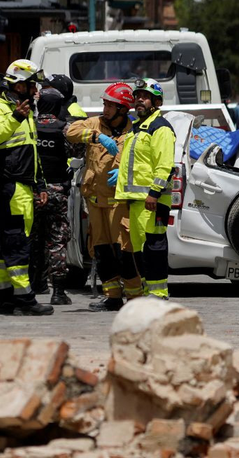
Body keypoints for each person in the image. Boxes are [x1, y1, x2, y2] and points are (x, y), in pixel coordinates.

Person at [66, 82, 144, 311]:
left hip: (120, 203)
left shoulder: (136, 131)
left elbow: (144, 161)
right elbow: (70, 132)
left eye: (111, 105)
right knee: (101, 251)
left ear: (123, 109)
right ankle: (112, 297)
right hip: (96, 203)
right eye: (105, 104)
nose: (106, 109)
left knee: (124, 252)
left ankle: (135, 299)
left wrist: (126, 172)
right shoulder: (95, 124)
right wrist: (96, 137)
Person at [0, 59, 53, 316]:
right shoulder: (1, 109)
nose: (36, 91)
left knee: (8, 247)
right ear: (20, 85)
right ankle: (25, 299)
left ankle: (3, 298)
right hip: (11, 185)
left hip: (23, 185)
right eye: (33, 85)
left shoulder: (24, 110)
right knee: (17, 244)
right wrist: (14, 117)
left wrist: (40, 184)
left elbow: (31, 152)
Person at [115, 78, 175, 300]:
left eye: (145, 96)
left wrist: (154, 194)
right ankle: (149, 291)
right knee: (141, 249)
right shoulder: (137, 129)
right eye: (137, 96)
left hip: (152, 201)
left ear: (156, 102)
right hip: (137, 200)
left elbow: (165, 165)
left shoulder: (160, 128)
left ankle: (159, 293)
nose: (140, 100)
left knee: (154, 247)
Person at [29, 88, 74, 305]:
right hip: (57, 191)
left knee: (34, 239)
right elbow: (78, 152)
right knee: (57, 241)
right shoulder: (64, 128)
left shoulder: (30, 126)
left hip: (34, 193)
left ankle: (35, 284)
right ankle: (58, 292)